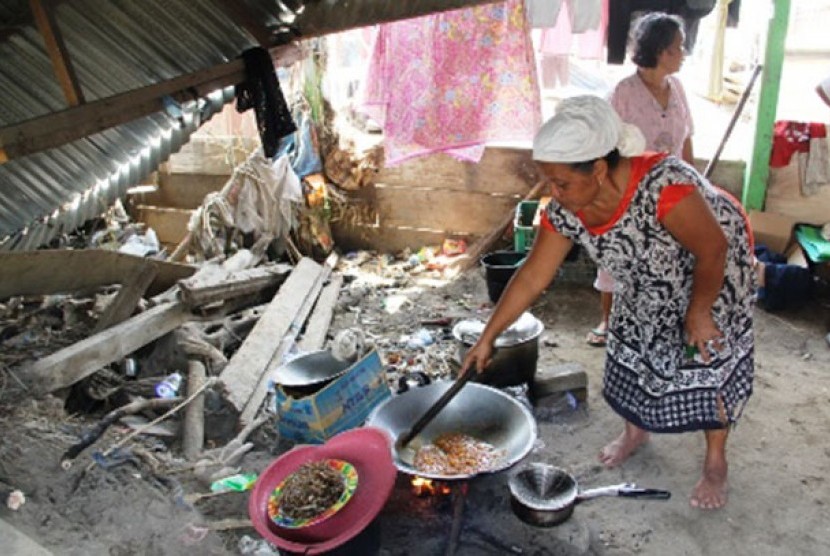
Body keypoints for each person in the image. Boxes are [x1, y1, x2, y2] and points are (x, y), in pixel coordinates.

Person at [459, 95, 755, 510]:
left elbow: (713, 250)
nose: (555, 193)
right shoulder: (567, 209)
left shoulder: (664, 187)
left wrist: (700, 311)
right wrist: (488, 336)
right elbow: (532, 275)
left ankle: (715, 460)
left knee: (706, 358)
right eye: (549, 182)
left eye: (562, 183)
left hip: (710, 268)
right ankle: (636, 430)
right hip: (645, 274)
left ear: (599, 169)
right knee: (631, 340)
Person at [586, 12, 695, 348]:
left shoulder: (676, 88)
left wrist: (693, 183)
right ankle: (608, 323)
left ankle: (659, 322)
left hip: (673, 193)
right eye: (679, 46)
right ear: (661, 51)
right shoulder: (624, 93)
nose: (684, 52)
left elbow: (687, 136)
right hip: (631, 193)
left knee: (667, 259)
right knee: (618, 259)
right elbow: (606, 147)